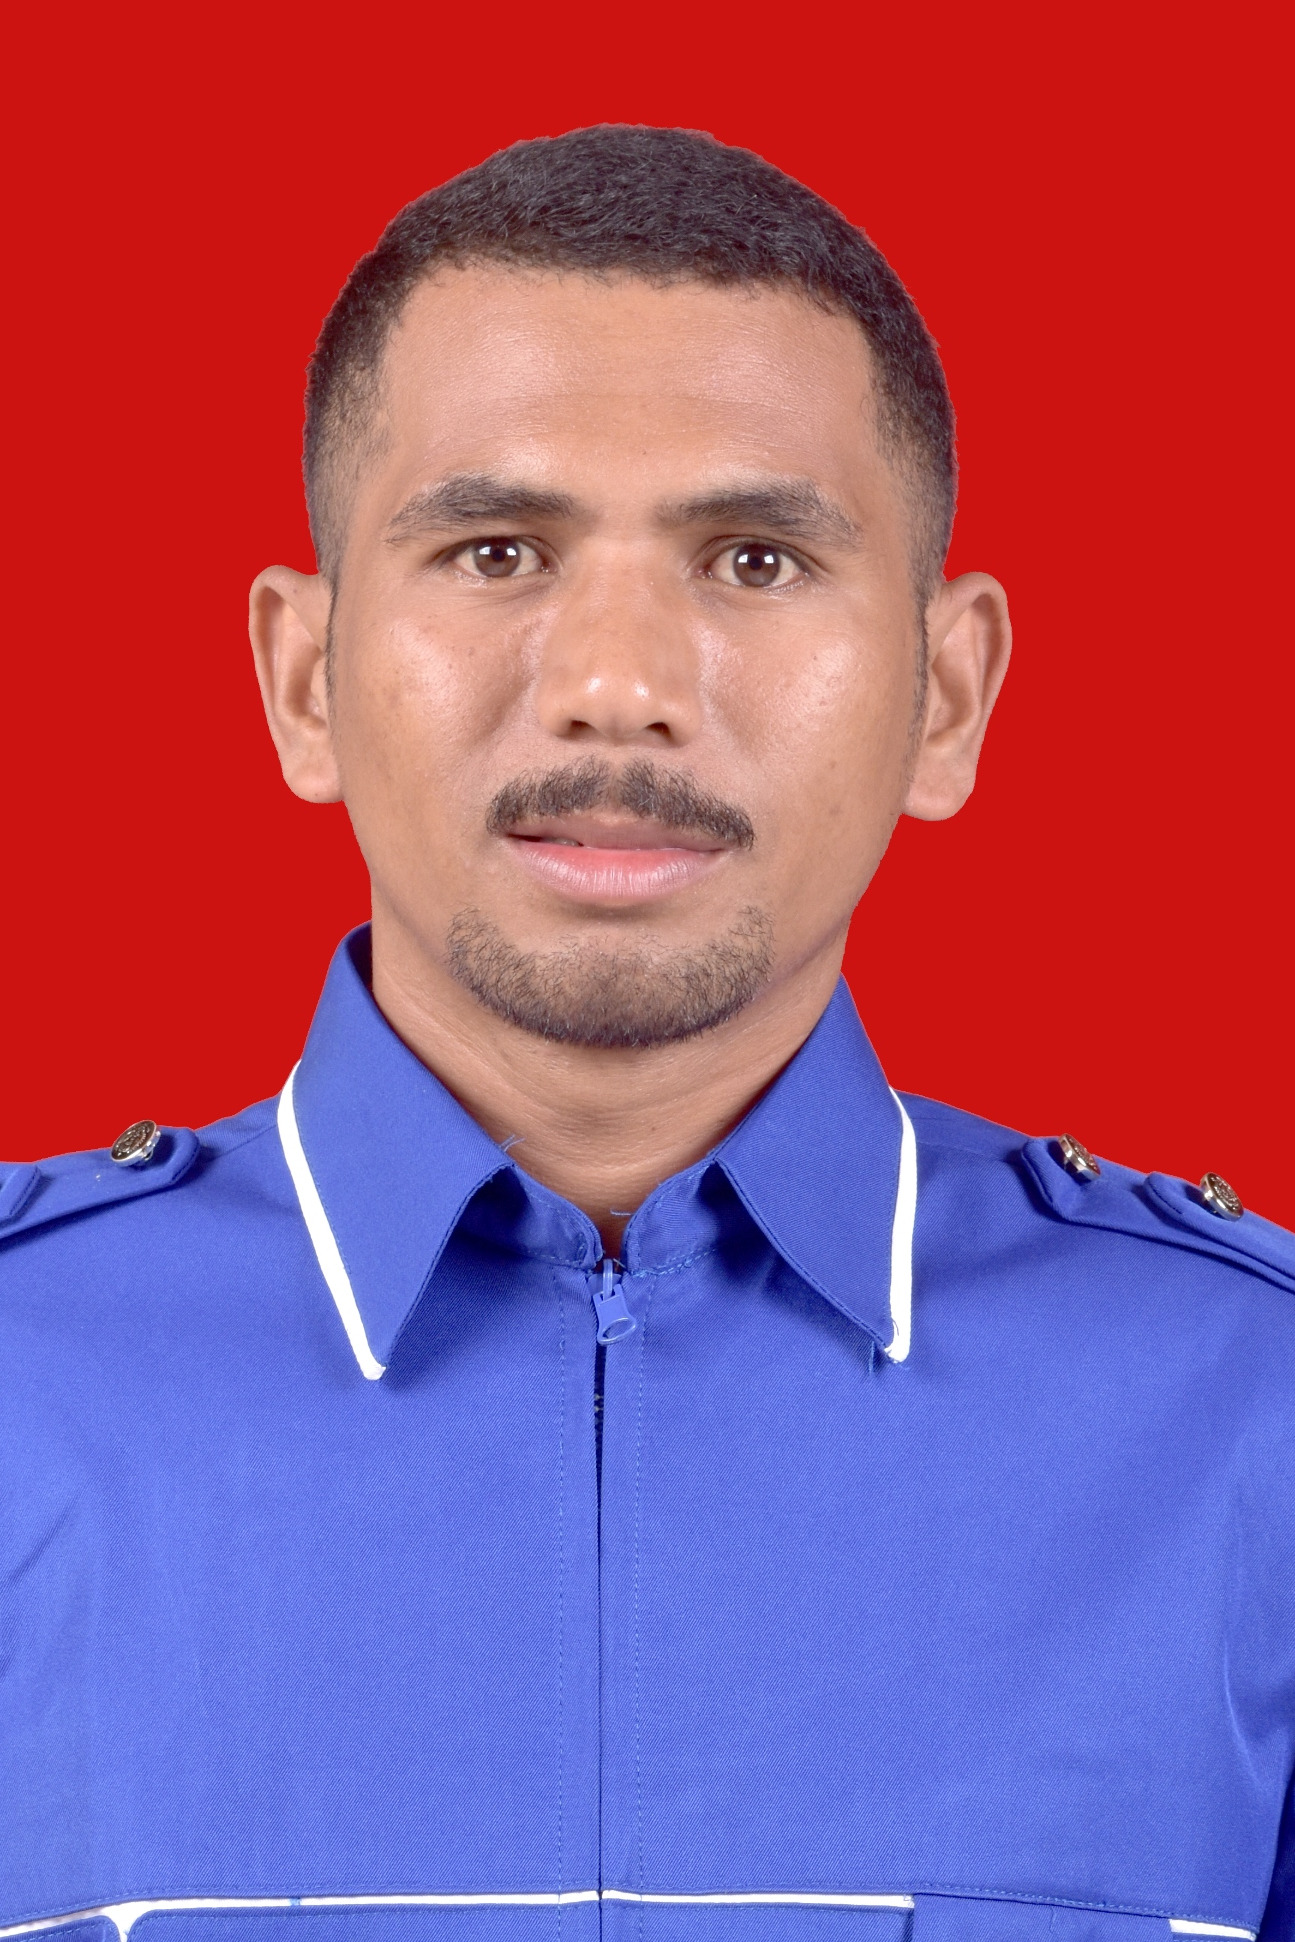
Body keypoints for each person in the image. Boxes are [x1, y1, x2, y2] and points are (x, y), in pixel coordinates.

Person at [1, 125, 1291, 1942]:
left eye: (755, 559)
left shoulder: (1252, 1407)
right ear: (305, 679)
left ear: (946, 695)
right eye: (497, 549)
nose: (618, 686)